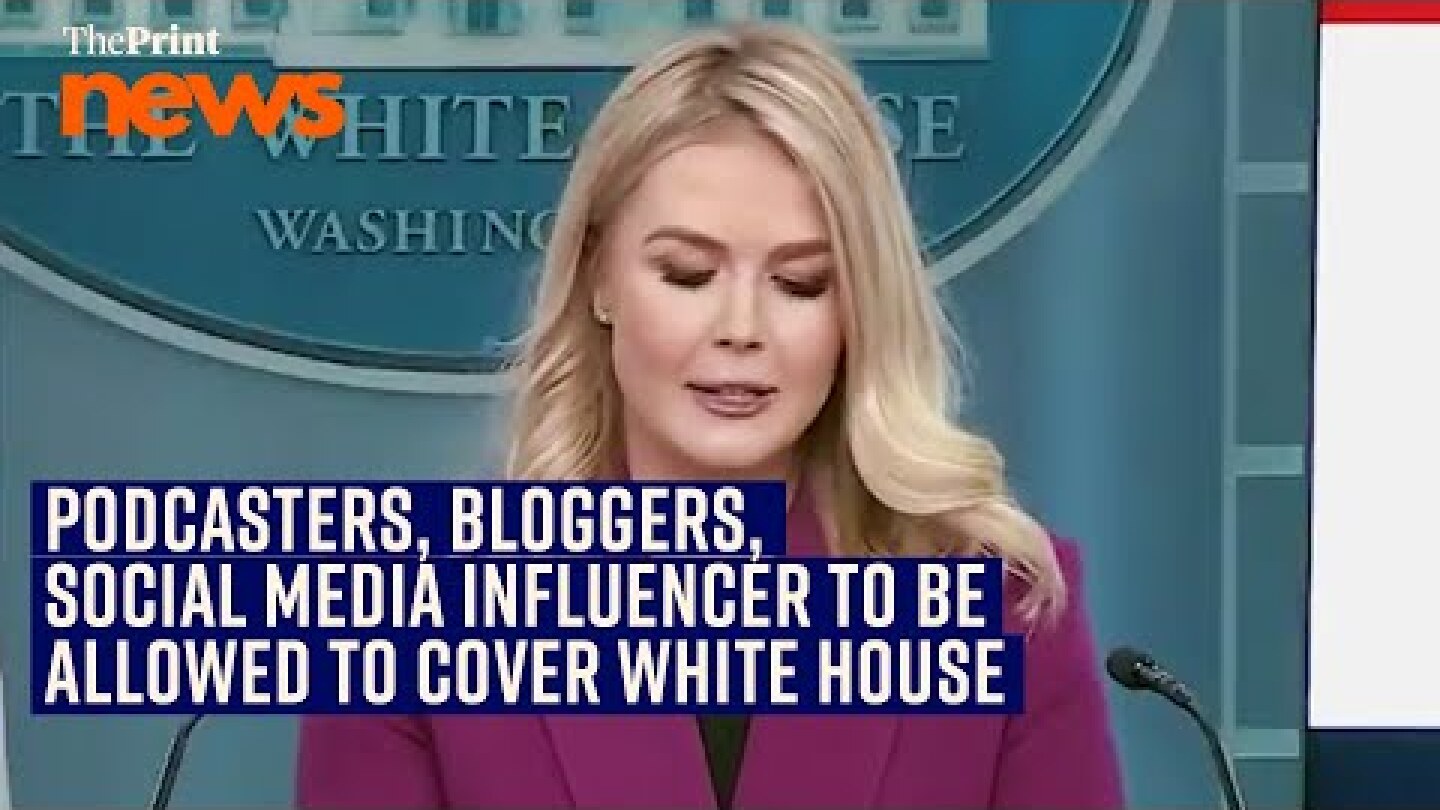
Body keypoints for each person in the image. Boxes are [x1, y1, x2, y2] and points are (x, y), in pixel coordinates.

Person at [297, 22, 1124, 809]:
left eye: (800, 284)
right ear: (598, 277)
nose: (741, 328)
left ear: (857, 310)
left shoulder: (1009, 605)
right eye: (689, 274)